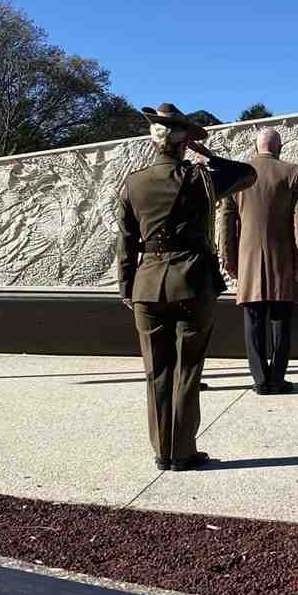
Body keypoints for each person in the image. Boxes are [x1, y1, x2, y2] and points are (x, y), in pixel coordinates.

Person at [116, 103, 256, 471]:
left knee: (156, 371)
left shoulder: (134, 182)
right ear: (183, 143)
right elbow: (247, 174)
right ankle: (183, 451)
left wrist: (127, 288)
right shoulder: (202, 178)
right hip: (193, 283)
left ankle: (163, 451)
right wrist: (205, 152)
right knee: (187, 370)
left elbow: (126, 243)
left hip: (148, 285)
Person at [217, 127, 298, 395]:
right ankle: (277, 379)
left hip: (247, 258)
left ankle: (259, 379)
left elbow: (226, 221)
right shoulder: (292, 172)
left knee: (253, 321)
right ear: (278, 147)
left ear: (256, 147)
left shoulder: (238, 174)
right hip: (283, 258)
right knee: (281, 322)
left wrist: (229, 258)